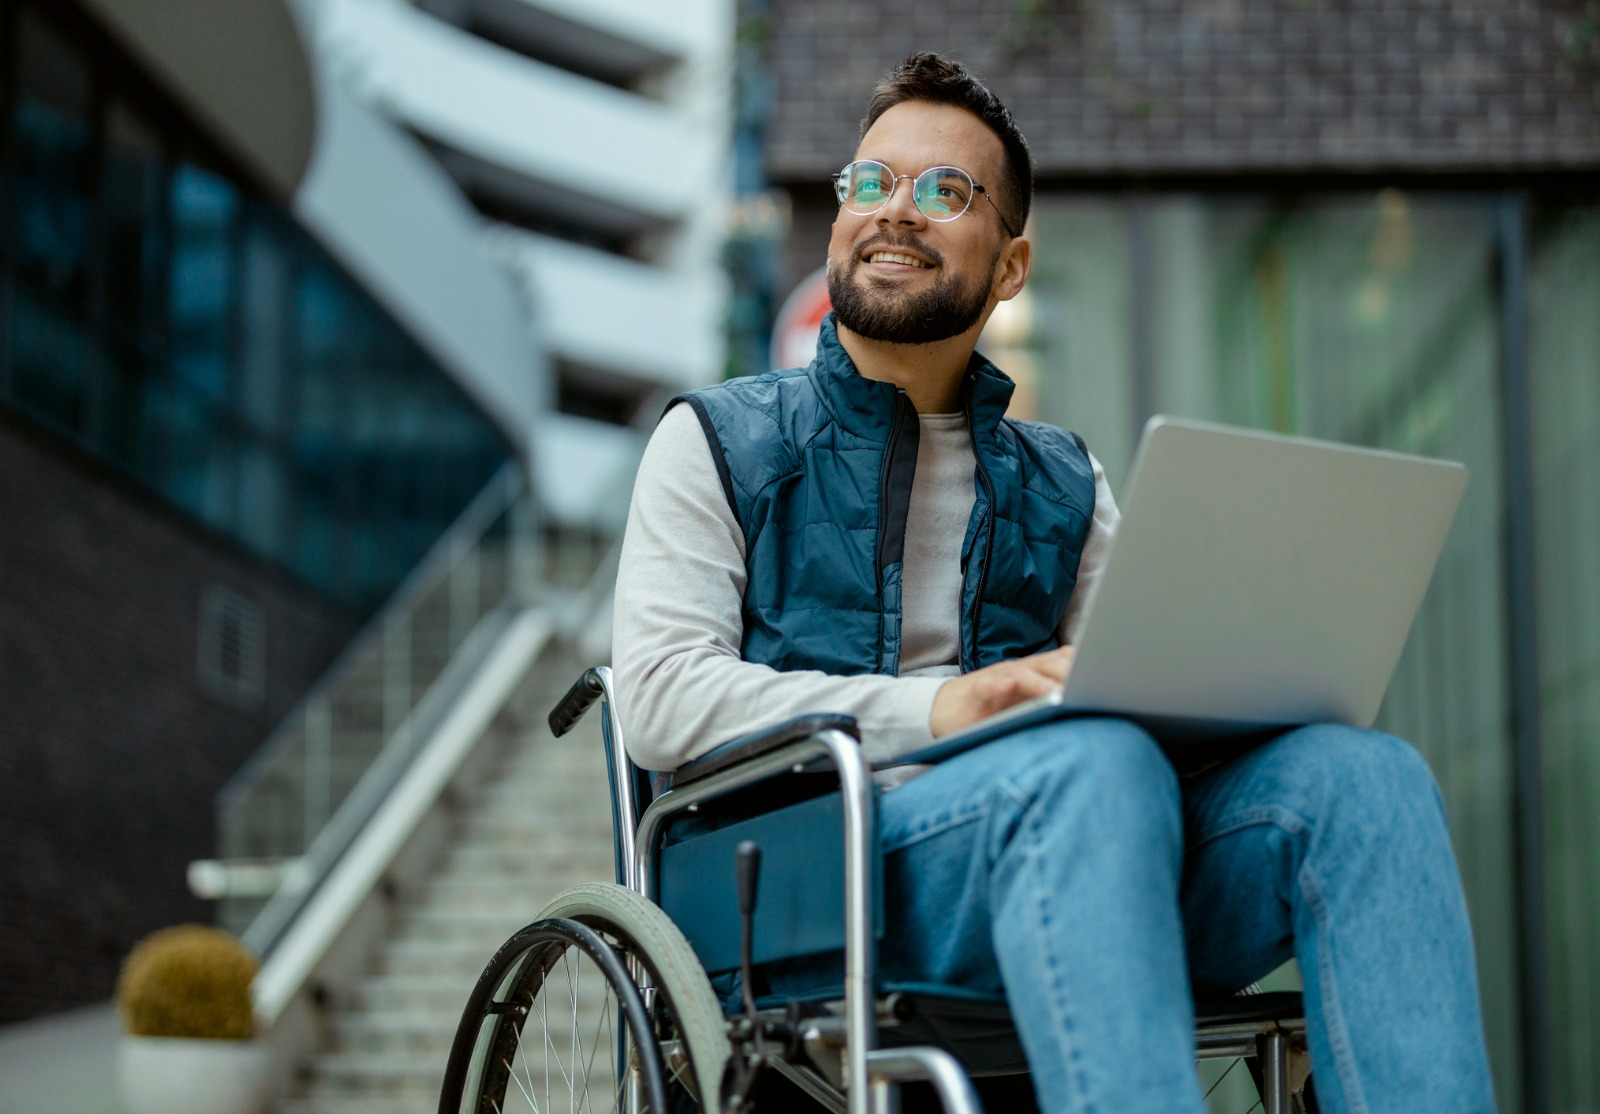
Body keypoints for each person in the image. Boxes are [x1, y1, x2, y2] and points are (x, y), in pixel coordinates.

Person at [613, 51, 1496, 1114]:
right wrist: (942, 706)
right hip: (816, 874)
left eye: (945, 191)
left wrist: (1238, 692)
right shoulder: (718, 439)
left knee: (1363, 780)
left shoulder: (1063, 479)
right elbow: (659, 698)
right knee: (1090, 764)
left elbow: (1129, 688)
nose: (895, 212)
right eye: (870, 182)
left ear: (1012, 265)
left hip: (1082, 846)